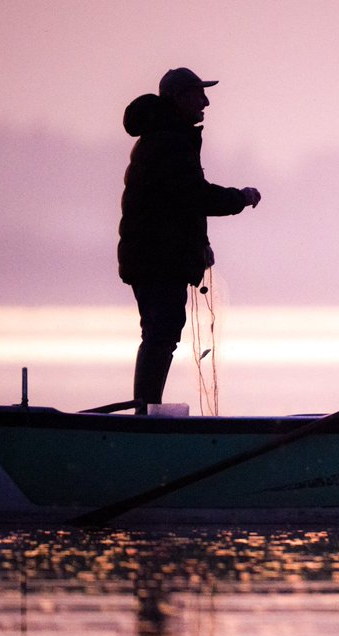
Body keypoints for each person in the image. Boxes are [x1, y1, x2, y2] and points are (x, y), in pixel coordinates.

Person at [118, 67, 262, 413]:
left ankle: (146, 410)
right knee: (160, 333)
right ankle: (145, 414)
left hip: (156, 255)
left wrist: (200, 245)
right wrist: (239, 198)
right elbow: (193, 196)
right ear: (178, 98)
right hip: (156, 258)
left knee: (161, 332)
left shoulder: (167, 136)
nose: (206, 102)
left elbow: (177, 203)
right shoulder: (170, 140)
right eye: (198, 94)